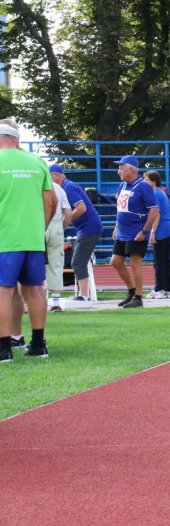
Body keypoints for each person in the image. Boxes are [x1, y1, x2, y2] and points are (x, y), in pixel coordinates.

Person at [0, 118, 54, 362]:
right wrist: (38, 228)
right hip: (33, 237)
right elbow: (50, 202)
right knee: (34, 290)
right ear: (16, 139)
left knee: (3, 291)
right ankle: (39, 343)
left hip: (5, 237)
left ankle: (4, 349)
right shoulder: (36, 161)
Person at [49, 163, 104, 303]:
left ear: (55, 175)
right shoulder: (66, 187)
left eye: (49, 177)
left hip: (89, 228)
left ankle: (84, 295)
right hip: (86, 228)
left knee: (78, 262)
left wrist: (64, 223)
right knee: (79, 261)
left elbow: (81, 208)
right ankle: (84, 293)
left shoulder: (68, 188)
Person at [111, 154, 159, 309]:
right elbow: (120, 207)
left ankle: (138, 297)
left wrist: (144, 231)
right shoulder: (122, 185)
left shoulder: (143, 186)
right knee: (115, 262)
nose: (119, 171)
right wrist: (117, 226)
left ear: (130, 170)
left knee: (135, 263)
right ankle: (131, 291)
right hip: (123, 231)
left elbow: (154, 211)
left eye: (121, 168)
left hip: (136, 231)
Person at [143, 171, 170, 299]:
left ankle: (159, 289)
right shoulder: (160, 192)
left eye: (146, 180)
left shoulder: (155, 193)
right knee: (165, 261)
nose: (145, 182)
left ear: (154, 181)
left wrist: (152, 233)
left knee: (159, 262)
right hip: (168, 228)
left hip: (162, 231)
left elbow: (156, 214)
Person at [45, 178, 72, 311]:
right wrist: (61, 228)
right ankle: (56, 303)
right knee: (55, 264)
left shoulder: (31, 184)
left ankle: (27, 304)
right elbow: (68, 212)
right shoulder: (58, 188)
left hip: (36, 224)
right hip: (56, 224)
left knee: (31, 263)